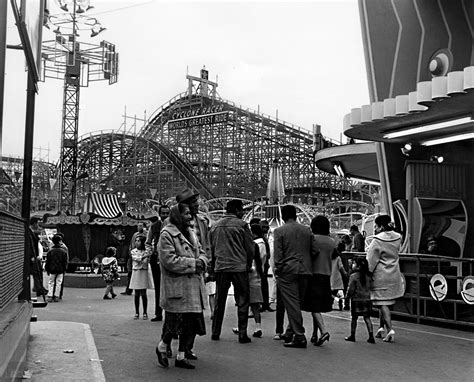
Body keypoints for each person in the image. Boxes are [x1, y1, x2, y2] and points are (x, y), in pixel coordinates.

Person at [155, 203, 208, 370]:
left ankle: (181, 355)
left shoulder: (191, 232)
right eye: (186, 213)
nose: (189, 216)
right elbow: (168, 260)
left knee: (190, 324)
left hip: (193, 286)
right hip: (177, 286)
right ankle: (162, 347)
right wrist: (194, 263)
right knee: (174, 324)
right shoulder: (166, 234)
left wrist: (203, 262)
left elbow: (203, 251)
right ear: (178, 215)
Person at [210, 199, 255, 344]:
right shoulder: (242, 225)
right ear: (236, 210)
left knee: (219, 301)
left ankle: (215, 332)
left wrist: (213, 267)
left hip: (221, 266)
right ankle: (242, 334)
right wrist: (248, 264)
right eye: (241, 210)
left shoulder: (215, 226)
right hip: (239, 267)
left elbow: (211, 248)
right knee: (242, 300)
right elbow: (250, 248)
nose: (243, 213)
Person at [176, 189, 213, 356]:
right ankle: (169, 345)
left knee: (194, 314)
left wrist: (207, 264)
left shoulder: (202, 222)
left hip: (198, 272)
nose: (198, 206)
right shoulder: (174, 224)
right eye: (195, 203)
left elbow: (206, 246)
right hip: (181, 273)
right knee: (178, 315)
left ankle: (187, 347)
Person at [273, 205, 315, 348]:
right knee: (296, 303)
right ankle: (290, 332)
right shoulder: (307, 230)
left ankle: (299, 336)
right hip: (305, 270)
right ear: (296, 215)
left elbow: (278, 254)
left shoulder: (279, 231)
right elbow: (314, 250)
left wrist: (278, 269)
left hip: (287, 271)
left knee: (291, 304)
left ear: (283, 216)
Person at [366, 214, 404, 343]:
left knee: (382, 303)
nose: (375, 228)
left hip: (380, 275)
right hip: (394, 273)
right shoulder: (398, 237)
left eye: (376, 226)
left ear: (381, 226)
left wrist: (368, 272)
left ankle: (390, 329)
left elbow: (371, 260)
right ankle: (380, 328)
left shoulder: (377, 240)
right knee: (386, 302)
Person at [303, 215, 334, 347]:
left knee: (313, 306)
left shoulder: (313, 239)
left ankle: (323, 331)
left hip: (313, 274)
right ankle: (314, 334)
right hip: (326, 275)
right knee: (318, 307)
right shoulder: (332, 241)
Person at [146, 205, 171, 322]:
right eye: (163, 213)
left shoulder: (174, 226)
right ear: (159, 214)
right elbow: (148, 242)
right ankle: (158, 313)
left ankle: (170, 314)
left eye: (167, 213)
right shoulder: (154, 226)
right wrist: (152, 251)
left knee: (170, 287)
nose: (165, 215)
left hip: (170, 259)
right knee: (158, 287)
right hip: (156, 259)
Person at [344, 257, 375, 343]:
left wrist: (347, 297)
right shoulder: (369, 276)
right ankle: (371, 336)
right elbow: (372, 287)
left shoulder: (353, 276)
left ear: (357, 266)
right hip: (367, 299)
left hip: (356, 299)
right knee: (367, 318)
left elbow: (350, 289)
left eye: (354, 263)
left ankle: (352, 335)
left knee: (354, 318)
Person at [129, 235, 153, 320]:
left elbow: (146, 260)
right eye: (136, 241)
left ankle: (145, 312)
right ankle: (136, 312)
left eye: (139, 241)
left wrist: (144, 257)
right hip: (136, 272)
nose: (136, 242)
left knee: (143, 293)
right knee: (136, 294)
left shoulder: (146, 251)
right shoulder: (133, 251)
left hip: (143, 271)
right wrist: (143, 257)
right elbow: (136, 259)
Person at [121, 222, 147, 295]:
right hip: (133, 255)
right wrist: (130, 251)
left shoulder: (146, 234)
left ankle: (140, 289)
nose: (139, 227)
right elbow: (131, 244)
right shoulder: (135, 234)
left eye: (141, 226)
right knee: (130, 272)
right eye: (138, 226)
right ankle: (128, 289)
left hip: (141, 256)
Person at [28, 216, 48, 299]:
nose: (38, 225)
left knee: (39, 272)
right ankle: (39, 289)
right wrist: (31, 256)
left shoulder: (32, 232)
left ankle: (38, 287)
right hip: (32, 257)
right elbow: (28, 246)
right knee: (36, 273)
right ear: (34, 223)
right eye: (37, 223)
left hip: (35, 256)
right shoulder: (29, 232)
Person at [44, 234, 68, 303]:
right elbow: (65, 262)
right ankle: (56, 296)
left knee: (51, 282)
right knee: (59, 283)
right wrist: (64, 269)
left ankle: (50, 296)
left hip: (52, 269)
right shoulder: (63, 251)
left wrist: (47, 269)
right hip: (60, 269)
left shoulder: (50, 251)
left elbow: (48, 261)